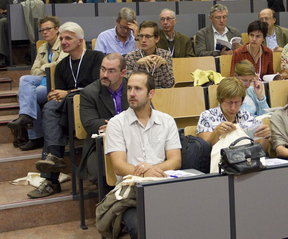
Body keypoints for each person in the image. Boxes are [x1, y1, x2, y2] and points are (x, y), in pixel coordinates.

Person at [28, 22, 104, 199]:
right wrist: (56, 95)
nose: (63, 42)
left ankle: (51, 177)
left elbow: (97, 88)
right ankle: (53, 158)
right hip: (67, 114)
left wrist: (68, 93)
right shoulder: (62, 65)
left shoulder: (96, 57)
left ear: (80, 41)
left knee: (53, 113)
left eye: (68, 38)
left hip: (93, 111)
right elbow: (60, 97)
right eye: (61, 38)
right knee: (51, 107)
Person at [106, 71, 181, 238]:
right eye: (129, 88)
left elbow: (175, 160)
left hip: (163, 186)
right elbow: (118, 166)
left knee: (186, 218)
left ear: (151, 93)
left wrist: (152, 169)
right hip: (131, 194)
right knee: (143, 229)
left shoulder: (167, 121)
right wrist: (146, 172)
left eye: (138, 89)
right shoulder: (116, 123)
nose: (131, 93)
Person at [8, 17, 66, 150]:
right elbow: (33, 70)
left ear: (57, 29)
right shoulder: (42, 47)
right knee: (24, 79)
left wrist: (44, 68)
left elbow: (58, 66)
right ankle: (26, 116)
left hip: (55, 83)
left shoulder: (63, 43)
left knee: (29, 95)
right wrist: (45, 69)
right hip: (42, 81)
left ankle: (35, 136)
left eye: (48, 29)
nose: (45, 32)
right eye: (42, 30)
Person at [79, 53, 128, 182]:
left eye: (111, 71)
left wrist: (114, 126)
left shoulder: (133, 88)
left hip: (134, 139)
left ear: (123, 73)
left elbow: (148, 114)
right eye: (102, 69)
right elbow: (91, 124)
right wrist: (126, 125)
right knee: (98, 174)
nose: (105, 75)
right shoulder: (89, 93)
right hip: (101, 144)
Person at [196, 77, 270, 151]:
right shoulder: (207, 116)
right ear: (220, 100)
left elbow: (261, 149)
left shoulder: (246, 116)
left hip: (245, 159)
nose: (233, 108)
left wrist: (265, 137)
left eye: (237, 102)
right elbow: (204, 148)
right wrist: (216, 133)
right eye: (229, 102)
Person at [125, 21, 174, 89]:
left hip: (160, 95)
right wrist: (138, 65)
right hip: (139, 96)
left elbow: (169, 84)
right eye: (141, 36)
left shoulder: (165, 55)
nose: (143, 40)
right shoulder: (131, 56)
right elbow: (127, 82)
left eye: (147, 36)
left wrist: (164, 65)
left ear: (156, 39)